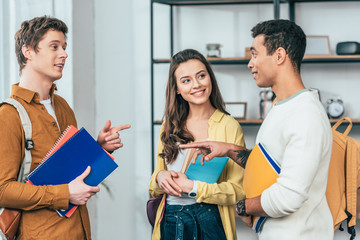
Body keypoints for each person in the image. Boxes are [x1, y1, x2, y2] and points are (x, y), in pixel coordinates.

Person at [180, 19, 333, 240]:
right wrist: (229, 150)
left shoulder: (305, 115)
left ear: (279, 56)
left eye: (255, 54)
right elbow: (272, 165)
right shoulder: (282, 106)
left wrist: (243, 207)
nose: (250, 64)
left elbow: (288, 197)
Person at [0, 16, 130, 239]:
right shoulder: (8, 115)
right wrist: (65, 193)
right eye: (54, 47)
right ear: (28, 51)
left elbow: (70, 169)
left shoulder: (62, 106)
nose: (64, 54)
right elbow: (3, 190)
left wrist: (99, 149)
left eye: (64, 47)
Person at [149, 49, 246, 240]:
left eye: (201, 76)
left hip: (209, 220)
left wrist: (193, 187)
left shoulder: (229, 126)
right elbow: (154, 186)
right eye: (186, 80)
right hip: (170, 221)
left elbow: (239, 191)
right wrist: (160, 177)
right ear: (176, 88)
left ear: (210, 78)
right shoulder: (169, 126)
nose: (197, 84)